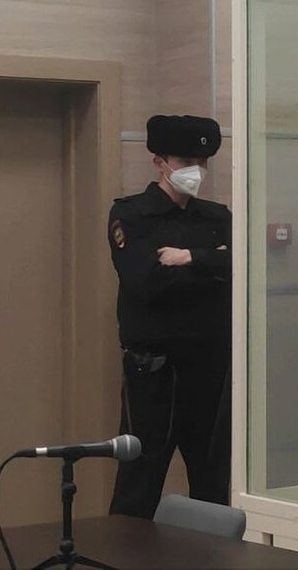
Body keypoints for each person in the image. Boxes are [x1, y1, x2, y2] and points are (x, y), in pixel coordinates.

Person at [107, 114, 232, 519]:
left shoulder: (217, 218)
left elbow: (239, 272)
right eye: (184, 161)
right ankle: (124, 551)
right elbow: (146, 282)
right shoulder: (131, 215)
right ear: (159, 162)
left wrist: (189, 258)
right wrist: (211, 266)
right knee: (140, 480)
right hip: (154, 369)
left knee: (213, 483)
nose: (196, 170)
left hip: (209, 367)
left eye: (202, 161)